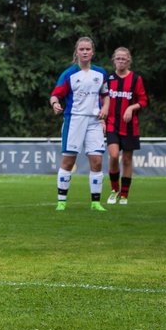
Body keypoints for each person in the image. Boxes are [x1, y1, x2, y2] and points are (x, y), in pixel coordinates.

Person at [49, 36, 110, 213]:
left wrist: (105, 108)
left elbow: (106, 95)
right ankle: (61, 201)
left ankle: (96, 203)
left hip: (94, 121)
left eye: (88, 49)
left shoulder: (100, 73)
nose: (84, 52)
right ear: (76, 52)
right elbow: (55, 95)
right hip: (74, 120)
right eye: (81, 49)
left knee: (97, 161)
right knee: (68, 161)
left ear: (92, 52)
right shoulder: (68, 74)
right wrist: (55, 104)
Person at [104, 47, 147, 204]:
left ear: (128, 61)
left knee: (127, 160)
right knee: (114, 155)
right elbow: (101, 101)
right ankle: (114, 190)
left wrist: (131, 107)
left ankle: (124, 194)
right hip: (112, 125)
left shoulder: (136, 79)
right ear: (114, 60)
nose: (121, 61)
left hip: (130, 126)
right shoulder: (108, 79)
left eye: (124, 59)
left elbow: (143, 101)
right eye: (118, 58)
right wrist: (102, 119)